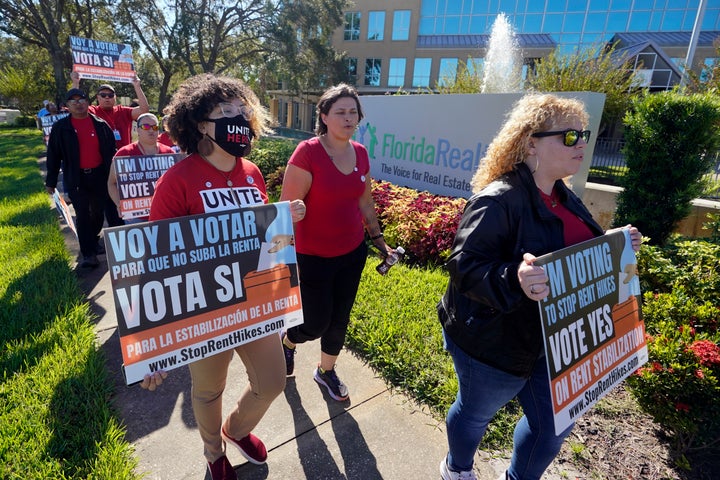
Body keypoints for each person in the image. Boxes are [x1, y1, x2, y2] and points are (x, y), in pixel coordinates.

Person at [437, 93, 643, 480]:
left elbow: (569, 254)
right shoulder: (497, 200)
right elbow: (464, 268)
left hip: (556, 345)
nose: (581, 143)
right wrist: (514, 277)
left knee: (552, 428)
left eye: (583, 134)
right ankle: (458, 469)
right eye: (569, 136)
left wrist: (611, 244)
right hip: (494, 344)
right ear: (532, 142)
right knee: (475, 415)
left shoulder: (565, 196)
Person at [142, 73, 305, 480]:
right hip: (205, 309)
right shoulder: (177, 181)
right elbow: (154, 260)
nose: (239, 117)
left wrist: (284, 221)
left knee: (271, 381)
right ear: (200, 123)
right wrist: (152, 344)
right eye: (225, 111)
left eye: (242, 110)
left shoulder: (251, 172)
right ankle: (214, 453)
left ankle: (237, 430)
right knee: (208, 389)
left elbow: (261, 237)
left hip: (254, 302)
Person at [278, 83, 394, 402]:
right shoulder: (308, 153)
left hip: (352, 253)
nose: (347, 118)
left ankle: (326, 371)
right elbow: (284, 210)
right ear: (325, 116)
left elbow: (365, 203)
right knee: (315, 323)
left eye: (352, 112)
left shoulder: (360, 153)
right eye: (340, 112)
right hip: (312, 255)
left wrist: (379, 242)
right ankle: (289, 340)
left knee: (340, 317)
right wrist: (293, 213)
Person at [45, 88, 117, 268]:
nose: (78, 103)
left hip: (100, 176)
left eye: (81, 99)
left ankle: (92, 239)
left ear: (88, 102)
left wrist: (116, 176)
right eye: (73, 101)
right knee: (83, 214)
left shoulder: (101, 124)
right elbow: (53, 155)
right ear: (67, 106)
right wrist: (51, 182)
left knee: (99, 212)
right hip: (76, 178)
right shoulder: (61, 128)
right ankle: (88, 254)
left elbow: (111, 153)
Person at [71, 71, 150, 227]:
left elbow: (144, 110)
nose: (107, 97)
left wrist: (137, 85)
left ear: (115, 97)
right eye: (103, 95)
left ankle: (126, 232)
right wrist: (76, 84)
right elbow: (75, 109)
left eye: (110, 95)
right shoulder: (92, 111)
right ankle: (108, 235)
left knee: (124, 200)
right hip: (102, 165)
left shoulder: (124, 111)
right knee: (103, 204)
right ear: (98, 98)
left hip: (124, 163)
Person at [107, 113, 176, 222]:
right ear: (137, 130)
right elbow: (111, 183)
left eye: (155, 127)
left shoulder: (169, 153)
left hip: (165, 214)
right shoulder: (124, 153)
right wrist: (119, 204)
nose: (151, 130)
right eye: (146, 127)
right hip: (136, 217)